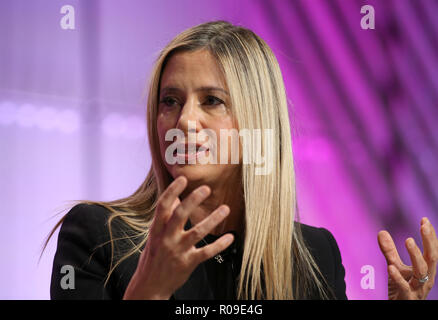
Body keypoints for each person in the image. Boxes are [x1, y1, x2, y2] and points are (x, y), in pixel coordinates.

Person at [47, 21, 437, 300]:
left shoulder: (314, 255)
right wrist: (150, 290)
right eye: (170, 101)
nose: (184, 120)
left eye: (211, 101)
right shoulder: (98, 235)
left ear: (257, 121)